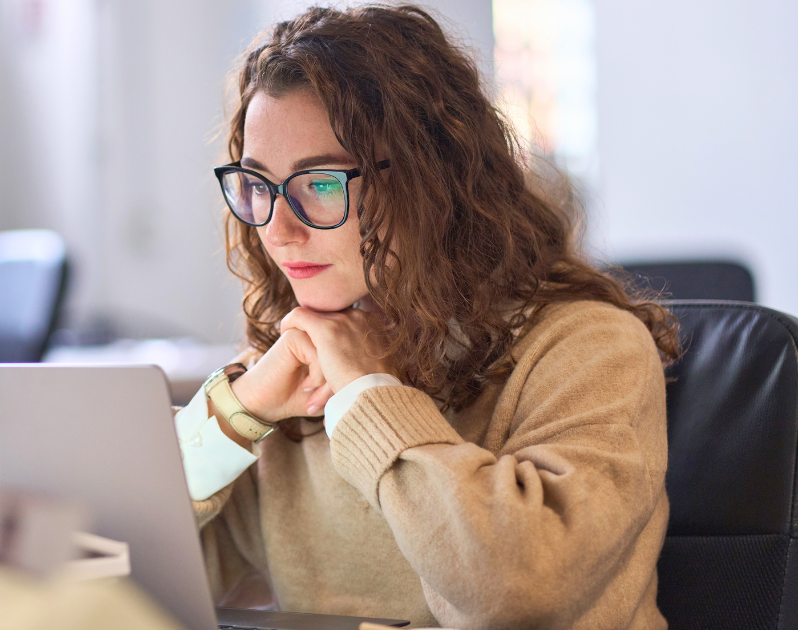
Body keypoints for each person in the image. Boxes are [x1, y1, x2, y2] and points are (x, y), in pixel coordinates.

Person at [170, 5, 680, 629]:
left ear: (430, 181)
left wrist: (367, 395)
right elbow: (113, 575)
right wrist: (235, 414)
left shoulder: (591, 351)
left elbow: (514, 590)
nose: (277, 230)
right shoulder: (290, 373)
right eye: (257, 184)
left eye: (322, 184)